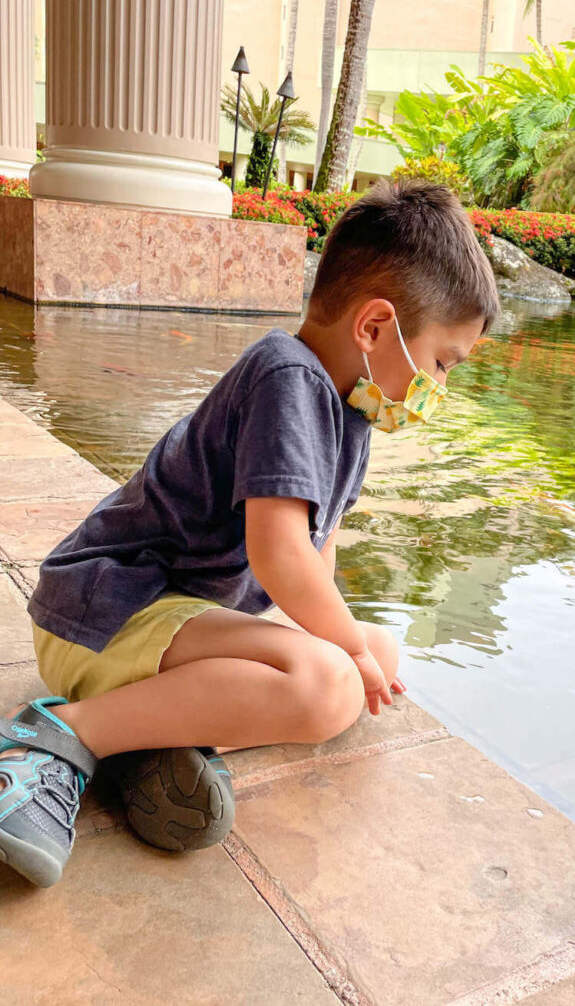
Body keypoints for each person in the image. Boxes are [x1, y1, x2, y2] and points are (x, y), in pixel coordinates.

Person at [0, 178, 500, 886]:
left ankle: (144, 749)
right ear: (375, 326)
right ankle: (57, 739)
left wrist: (355, 646)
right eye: (443, 363)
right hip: (106, 611)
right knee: (329, 680)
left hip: (173, 624)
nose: (438, 389)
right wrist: (340, 649)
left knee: (377, 657)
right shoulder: (286, 378)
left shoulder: (350, 418)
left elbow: (316, 564)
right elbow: (279, 556)